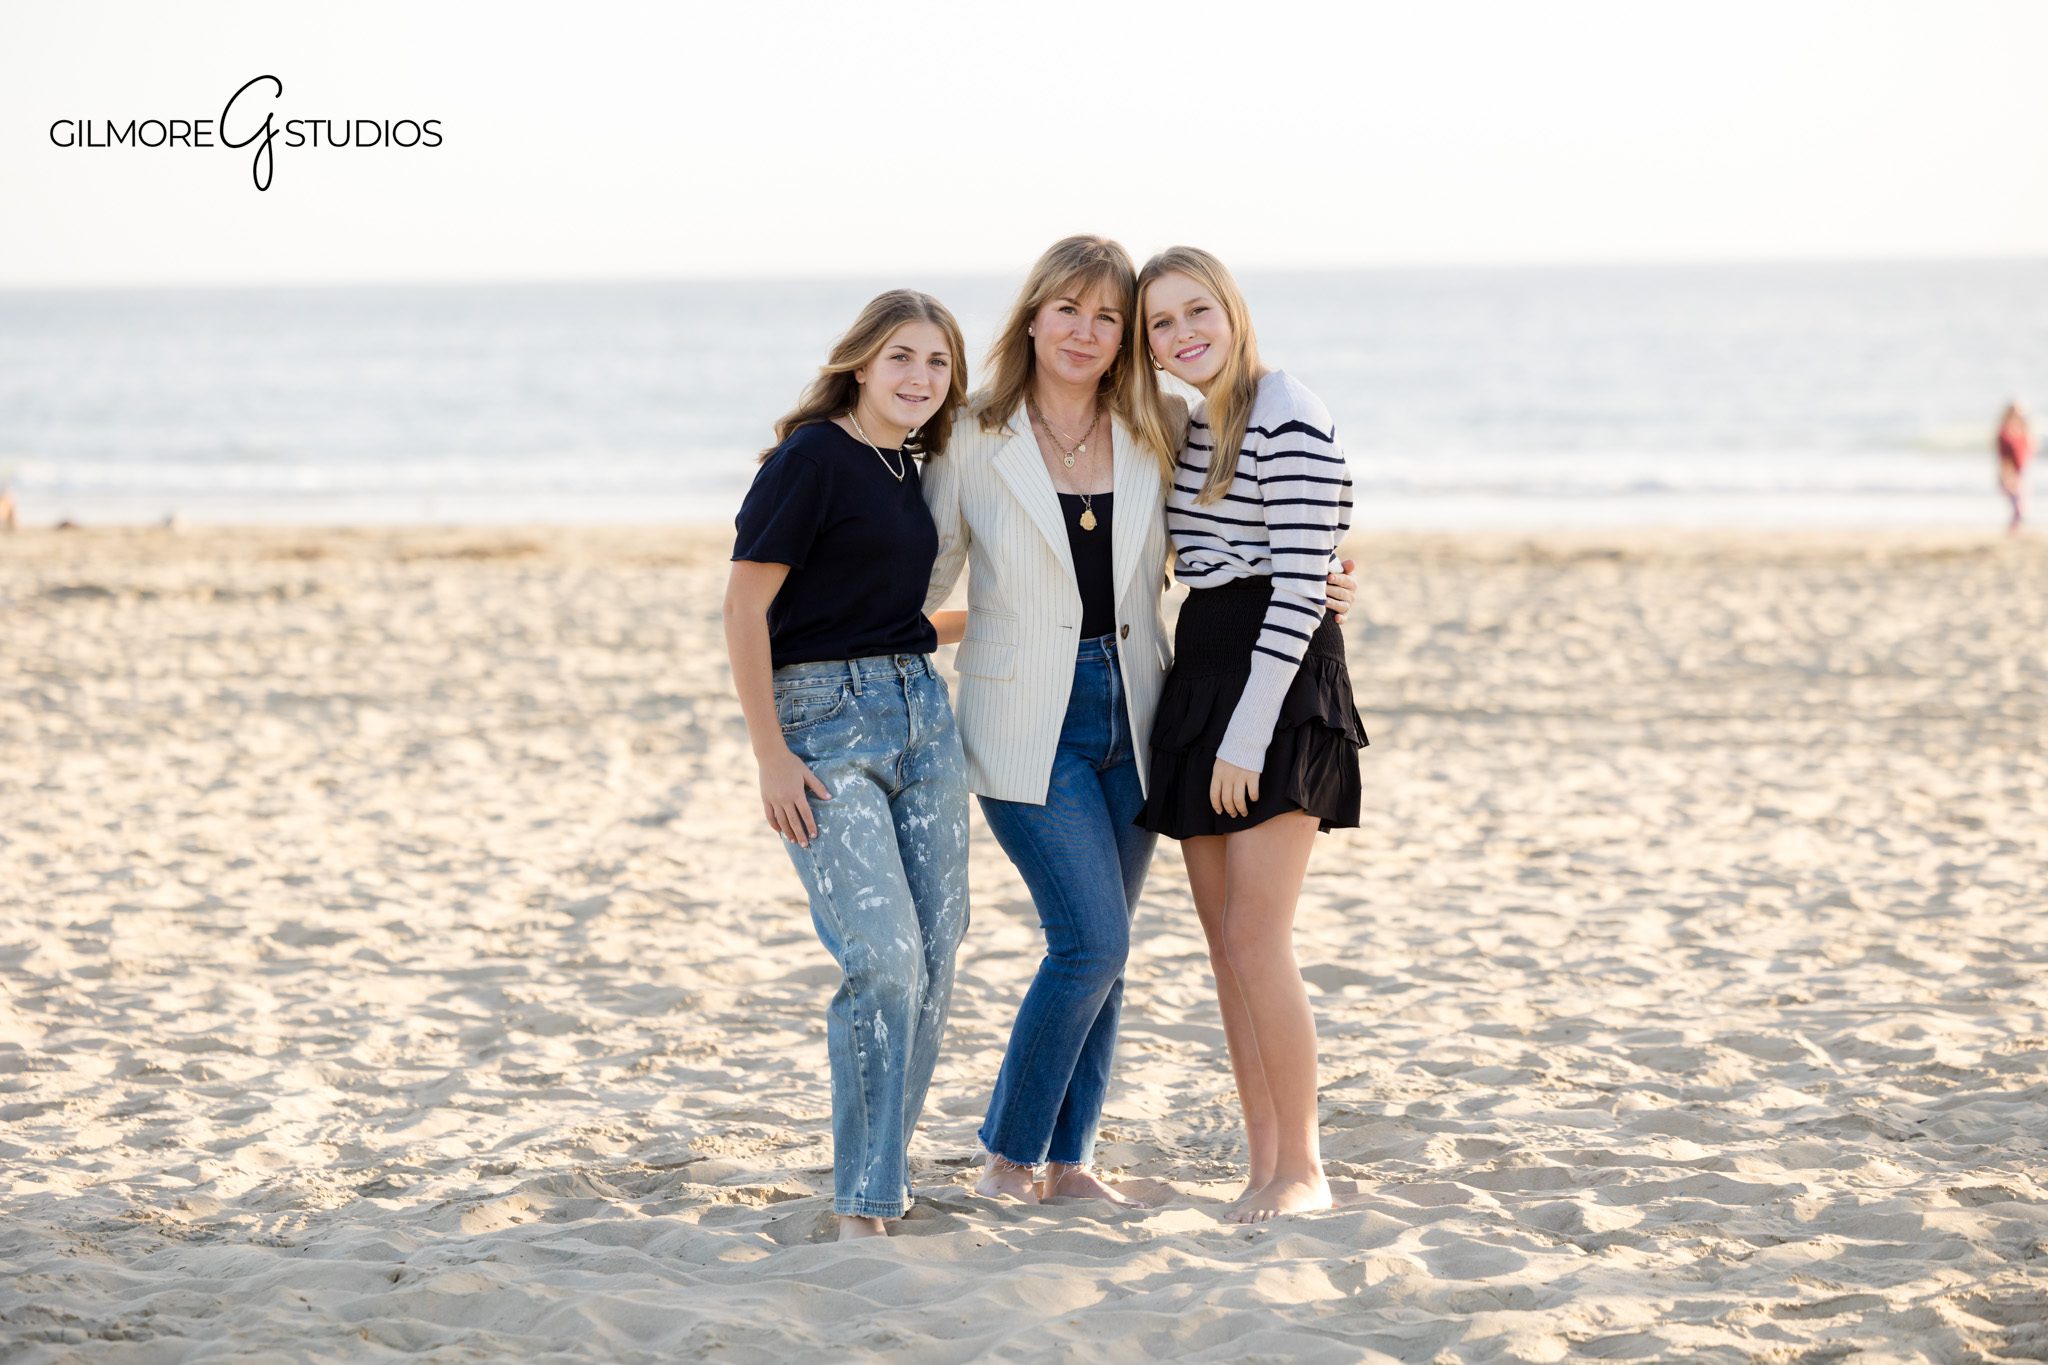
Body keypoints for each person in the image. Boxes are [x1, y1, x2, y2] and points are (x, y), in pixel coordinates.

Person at [922, 236, 1356, 1207]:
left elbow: (1295, 519)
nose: (1089, 331)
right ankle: (1018, 1153)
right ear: (1031, 316)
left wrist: (1326, 573)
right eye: (1069, 310)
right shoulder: (985, 437)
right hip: (1067, 709)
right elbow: (930, 575)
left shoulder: (1166, 424)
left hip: (1164, 697)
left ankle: (1101, 1162)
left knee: (1162, 942)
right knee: (1107, 942)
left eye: (1111, 317)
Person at [723, 290, 974, 1241]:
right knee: (884, 957)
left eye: (939, 365)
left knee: (939, 951)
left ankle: (883, 1173)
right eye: (902, 358)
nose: (919, 378)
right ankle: (862, 1201)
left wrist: (1023, 618)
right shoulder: (814, 458)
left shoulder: (914, 468)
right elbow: (746, 611)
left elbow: (890, 619)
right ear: (861, 362)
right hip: (821, 725)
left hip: (922, 712)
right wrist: (770, 756)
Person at [1133, 246, 1368, 1224]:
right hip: (1202, 666)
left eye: (1198, 312)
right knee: (1222, 944)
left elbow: (1302, 584)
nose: (1183, 334)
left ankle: (1303, 1167)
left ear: (1231, 311)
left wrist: (1245, 736)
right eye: (1160, 324)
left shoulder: (1288, 414)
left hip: (1271, 679)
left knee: (1257, 937)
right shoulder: (1190, 429)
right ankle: (1263, 1163)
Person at [1997, 401, 2032, 533]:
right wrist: (2008, 477)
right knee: (2018, 509)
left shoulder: (2020, 431)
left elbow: (2031, 448)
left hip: (2021, 473)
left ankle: (2015, 532)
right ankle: (2012, 533)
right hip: (2010, 474)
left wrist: (2026, 424)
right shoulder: (2004, 434)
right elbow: (2004, 458)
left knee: (2021, 508)